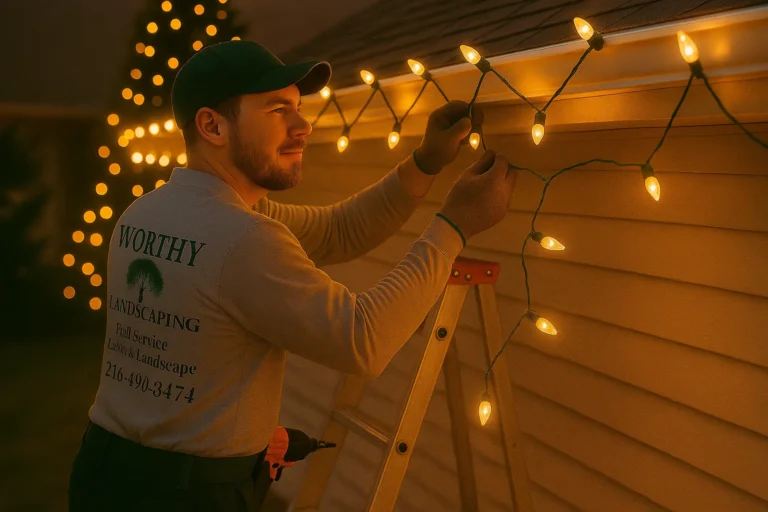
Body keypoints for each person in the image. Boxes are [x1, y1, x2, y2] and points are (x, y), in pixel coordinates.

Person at [68, 40, 517, 511]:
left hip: (107, 468)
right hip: (187, 495)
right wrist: (455, 226)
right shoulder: (242, 237)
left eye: (298, 108)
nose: (303, 126)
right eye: (278, 110)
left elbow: (339, 230)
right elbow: (362, 339)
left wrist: (425, 162)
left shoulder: (145, 214)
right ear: (212, 125)